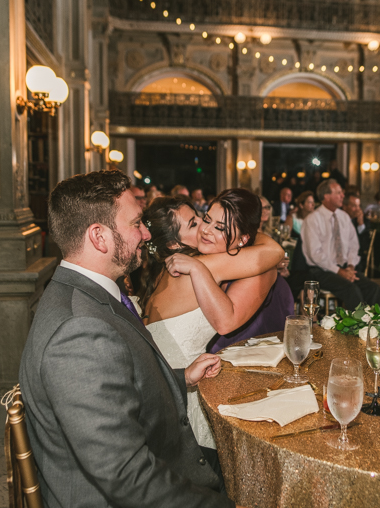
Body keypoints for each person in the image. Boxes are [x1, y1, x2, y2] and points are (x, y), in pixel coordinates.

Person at [18, 171, 238, 508]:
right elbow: (127, 477)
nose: (147, 233)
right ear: (99, 237)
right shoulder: (77, 333)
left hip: (160, 455)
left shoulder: (91, 292)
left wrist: (181, 379)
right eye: (137, 223)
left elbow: (114, 389)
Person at [141, 191, 286, 451]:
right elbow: (274, 252)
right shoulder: (202, 264)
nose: (205, 229)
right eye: (199, 222)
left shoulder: (169, 267)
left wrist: (245, 235)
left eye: (209, 222)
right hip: (181, 388)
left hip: (161, 384)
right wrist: (245, 236)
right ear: (174, 244)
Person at [301, 180, 380, 310]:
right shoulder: (312, 220)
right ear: (326, 196)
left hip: (345, 268)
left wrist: (350, 266)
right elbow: (315, 254)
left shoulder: (344, 217)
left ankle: (378, 326)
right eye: (339, 193)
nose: (342, 196)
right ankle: (359, 328)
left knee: (373, 288)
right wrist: (339, 271)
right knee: (352, 290)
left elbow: (353, 245)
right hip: (321, 271)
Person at [342, 192, 371, 273]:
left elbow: (365, 246)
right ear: (344, 207)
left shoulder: (365, 222)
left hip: (357, 260)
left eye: (359, 206)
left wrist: (360, 225)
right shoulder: (339, 220)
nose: (358, 209)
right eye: (354, 206)